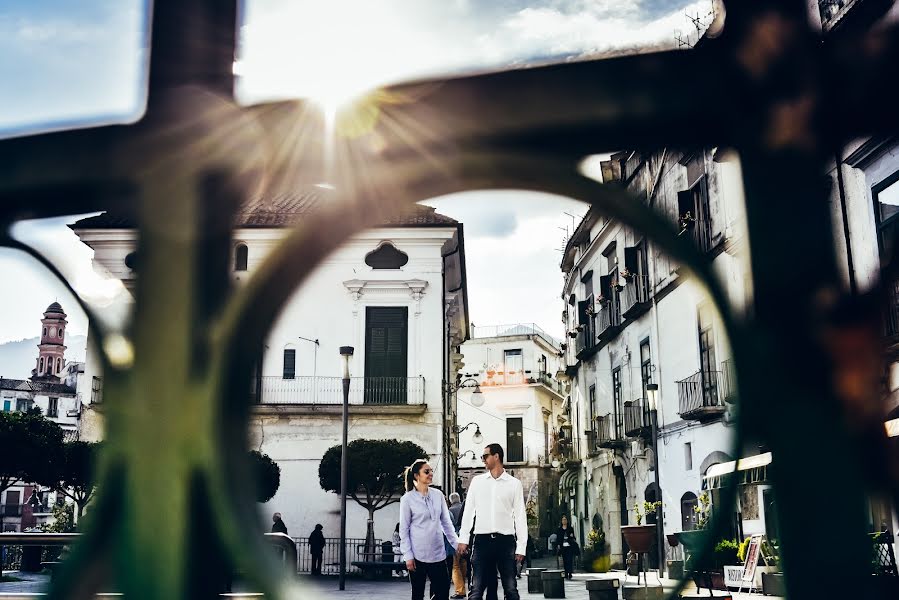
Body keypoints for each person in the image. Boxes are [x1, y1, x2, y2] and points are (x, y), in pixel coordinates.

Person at [457, 444, 528, 600]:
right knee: (476, 590)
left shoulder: (514, 484)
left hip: (506, 542)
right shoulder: (477, 482)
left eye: (485, 456)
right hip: (482, 541)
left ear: (497, 456)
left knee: (510, 589)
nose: (483, 460)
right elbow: (468, 512)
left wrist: (521, 547)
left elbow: (520, 517)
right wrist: (463, 539)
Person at [399, 459, 458, 600]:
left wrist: (457, 544)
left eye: (431, 471)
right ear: (416, 475)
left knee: (443, 591)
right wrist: (408, 555)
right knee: (418, 594)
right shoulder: (407, 499)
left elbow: (446, 523)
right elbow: (404, 529)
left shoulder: (438, 495)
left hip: (438, 554)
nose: (431, 474)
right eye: (426, 471)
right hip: (417, 555)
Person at [448, 492, 468, 599]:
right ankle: (463, 586)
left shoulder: (450, 511)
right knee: (463, 562)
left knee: (455, 566)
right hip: (465, 539)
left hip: (456, 539)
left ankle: (460, 590)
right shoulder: (463, 507)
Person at [555, 515, 577, 579]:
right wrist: (558, 545)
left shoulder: (570, 528)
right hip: (563, 547)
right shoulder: (559, 530)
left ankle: (570, 573)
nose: (564, 521)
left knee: (569, 560)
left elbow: (573, 537)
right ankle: (566, 573)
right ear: (561, 521)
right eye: (563, 520)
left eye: (565, 520)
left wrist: (571, 536)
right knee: (565, 560)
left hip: (569, 546)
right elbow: (558, 538)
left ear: (567, 521)